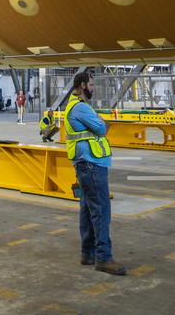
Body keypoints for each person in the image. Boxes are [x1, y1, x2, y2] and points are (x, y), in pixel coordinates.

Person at [63, 72, 125, 276]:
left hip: (85, 163)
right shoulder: (80, 107)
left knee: (88, 209)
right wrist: (100, 122)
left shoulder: (75, 105)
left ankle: (87, 253)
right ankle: (104, 258)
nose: (93, 87)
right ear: (82, 85)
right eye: (91, 84)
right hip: (91, 164)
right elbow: (101, 128)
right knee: (100, 210)